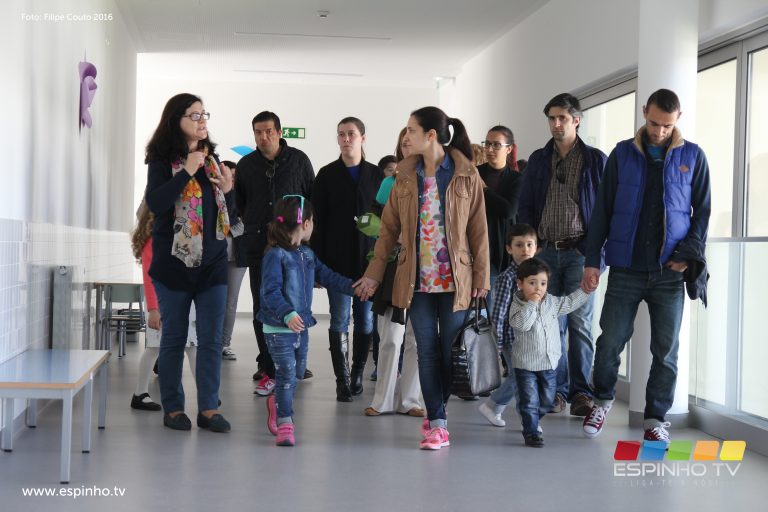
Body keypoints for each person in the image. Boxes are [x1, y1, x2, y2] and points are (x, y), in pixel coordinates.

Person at [580, 88, 711, 444]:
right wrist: (594, 261)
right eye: (653, 123)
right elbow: (602, 211)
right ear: (644, 113)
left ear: (677, 119)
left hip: (670, 273)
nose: (659, 131)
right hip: (625, 269)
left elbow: (703, 213)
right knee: (609, 344)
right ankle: (602, 400)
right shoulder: (622, 154)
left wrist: (689, 253)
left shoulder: (693, 157)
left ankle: (655, 418)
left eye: (666, 125)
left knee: (665, 351)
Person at [356, 106, 490, 450]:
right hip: (416, 280)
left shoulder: (465, 173)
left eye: (411, 130)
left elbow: (479, 231)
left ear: (431, 135)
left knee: (448, 352)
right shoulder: (403, 176)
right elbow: (387, 231)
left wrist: (482, 277)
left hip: (456, 280)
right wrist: (373, 275)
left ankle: (437, 410)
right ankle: (438, 422)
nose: (406, 136)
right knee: (427, 352)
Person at [144, 93, 233, 432]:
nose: (202, 120)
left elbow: (226, 216)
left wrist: (229, 189)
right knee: (175, 339)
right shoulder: (161, 160)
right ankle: (174, 407)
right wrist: (186, 172)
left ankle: (209, 408)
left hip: (212, 264)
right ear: (176, 120)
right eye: (194, 115)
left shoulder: (212, 159)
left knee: (212, 340)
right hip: (174, 266)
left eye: (203, 114)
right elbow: (156, 203)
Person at [518, 93, 607, 417]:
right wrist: (531, 246)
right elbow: (526, 204)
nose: (556, 124)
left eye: (562, 118)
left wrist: (596, 254)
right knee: (548, 325)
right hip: (546, 255)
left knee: (581, 325)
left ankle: (582, 394)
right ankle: (555, 390)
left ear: (576, 120)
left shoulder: (596, 160)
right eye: (552, 118)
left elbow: (607, 211)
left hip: (581, 255)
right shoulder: (540, 160)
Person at [258, 196, 358, 446]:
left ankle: (276, 401)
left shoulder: (307, 254)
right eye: (313, 221)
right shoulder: (275, 255)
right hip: (278, 327)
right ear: (305, 224)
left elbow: (330, 277)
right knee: (287, 375)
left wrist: (357, 287)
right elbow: (269, 292)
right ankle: (285, 423)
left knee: (298, 373)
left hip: (301, 327)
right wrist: (287, 314)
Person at [235, 111, 315, 396]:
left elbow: (310, 201)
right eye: (258, 131)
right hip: (260, 248)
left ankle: (294, 362)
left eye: (268, 131)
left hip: (295, 250)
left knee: (296, 305)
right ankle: (269, 367)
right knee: (264, 307)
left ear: (280, 132)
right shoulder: (246, 165)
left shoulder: (299, 161)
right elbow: (240, 204)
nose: (263, 136)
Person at [311, 117, 383, 401]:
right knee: (339, 318)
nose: (346, 139)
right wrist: (317, 266)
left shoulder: (377, 176)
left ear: (362, 138)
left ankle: (357, 375)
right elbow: (317, 221)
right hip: (336, 263)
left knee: (365, 320)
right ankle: (341, 380)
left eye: (351, 134)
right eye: (341, 134)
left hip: (368, 262)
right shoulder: (326, 175)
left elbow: (386, 223)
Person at [509, 257, 591, 447]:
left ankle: (531, 418)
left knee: (547, 401)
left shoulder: (552, 302)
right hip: (525, 365)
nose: (538, 288)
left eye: (543, 283)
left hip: (549, 363)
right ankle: (531, 431)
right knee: (529, 401)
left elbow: (569, 302)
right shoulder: (518, 305)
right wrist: (531, 304)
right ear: (520, 284)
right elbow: (521, 325)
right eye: (532, 283)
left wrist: (586, 290)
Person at [129, 201, 197, 411]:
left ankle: (205, 392)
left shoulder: (168, 236)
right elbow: (149, 277)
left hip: (177, 299)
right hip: (161, 303)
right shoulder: (153, 241)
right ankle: (139, 393)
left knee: (191, 346)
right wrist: (153, 309)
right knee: (155, 348)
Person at [478, 223, 537, 427]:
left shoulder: (538, 277)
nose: (525, 250)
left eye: (530, 245)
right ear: (509, 249)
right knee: (520, 377)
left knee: (521, 376)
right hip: (512, 339)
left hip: (531, 338)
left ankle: (495, 407)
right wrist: (499, 341)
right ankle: (528, 421)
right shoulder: (507, 278)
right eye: (519, 245)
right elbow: (500, 311)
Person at [478, 125, 524, 309]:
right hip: (477, 250)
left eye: (496, 145)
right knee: (479, 314)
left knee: (501, 311)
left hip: (503, 252)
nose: (489, 150)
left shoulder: (516, 179)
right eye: (487, 144)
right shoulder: (476, 173)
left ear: (509, 149)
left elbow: (508, 211)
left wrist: (484, 189)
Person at [220, 160, 247, 361]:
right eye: (229, 175)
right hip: (214, 254)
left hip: (238, 255)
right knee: (213, 300)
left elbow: (243, 226)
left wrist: (227, 228)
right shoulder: (214, 194)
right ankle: (209, 341)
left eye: (235, 175)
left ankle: (224, 343)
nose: (232, 179)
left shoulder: (245, 196)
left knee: (230, 301)